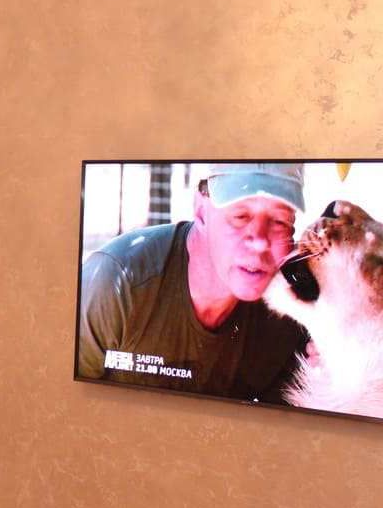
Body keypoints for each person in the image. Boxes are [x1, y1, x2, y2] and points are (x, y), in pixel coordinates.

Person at [77, 163, 310, 403]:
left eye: (279, 221)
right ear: (200, 210)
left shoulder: (291, 312)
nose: (260, 241)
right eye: (241, 216)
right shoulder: (117, 282)